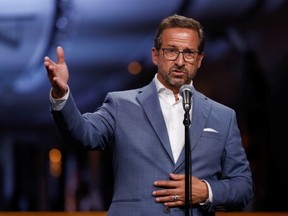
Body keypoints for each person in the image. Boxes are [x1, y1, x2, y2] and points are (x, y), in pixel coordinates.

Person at [44, 14, 254, 216]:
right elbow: (83, 134)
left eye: (189, 53)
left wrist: (206, 191)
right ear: (155, 55)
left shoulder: (223, 116)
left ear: (199, 59)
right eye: (171, 51)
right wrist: (61, 94)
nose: (180, 61)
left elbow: (243, 186)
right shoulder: (120, 104)